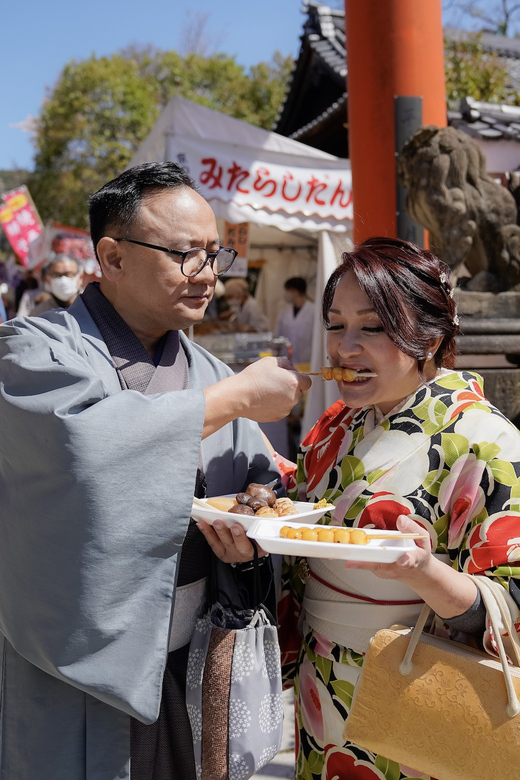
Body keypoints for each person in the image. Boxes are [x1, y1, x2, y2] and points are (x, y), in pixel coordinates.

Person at [0, 161, 311, 780]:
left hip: (190, 659)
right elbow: (85, 444)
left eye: (215, 257)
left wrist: (251, 535)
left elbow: (256, 486)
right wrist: (236, 402)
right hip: (72, 666)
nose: (208, 278)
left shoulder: (212, 373)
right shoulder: (31, 349)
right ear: (112, 258)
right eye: (185, 255)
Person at [273, 237, 520, 780]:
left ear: (429, 336)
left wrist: (427, 572)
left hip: (421, 687)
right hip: (326, 679)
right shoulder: (333, 427)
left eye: (374, 326)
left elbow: (512, 602)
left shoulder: (485, 440)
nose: (345, 347)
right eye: (336, 325)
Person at [274, 277, 315, 366]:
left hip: (307, 360)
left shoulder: (314, 311)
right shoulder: (284, 312)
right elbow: (277, 335)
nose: (286, 294)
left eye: (287, 290)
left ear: (295, 291)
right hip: (286, 358)